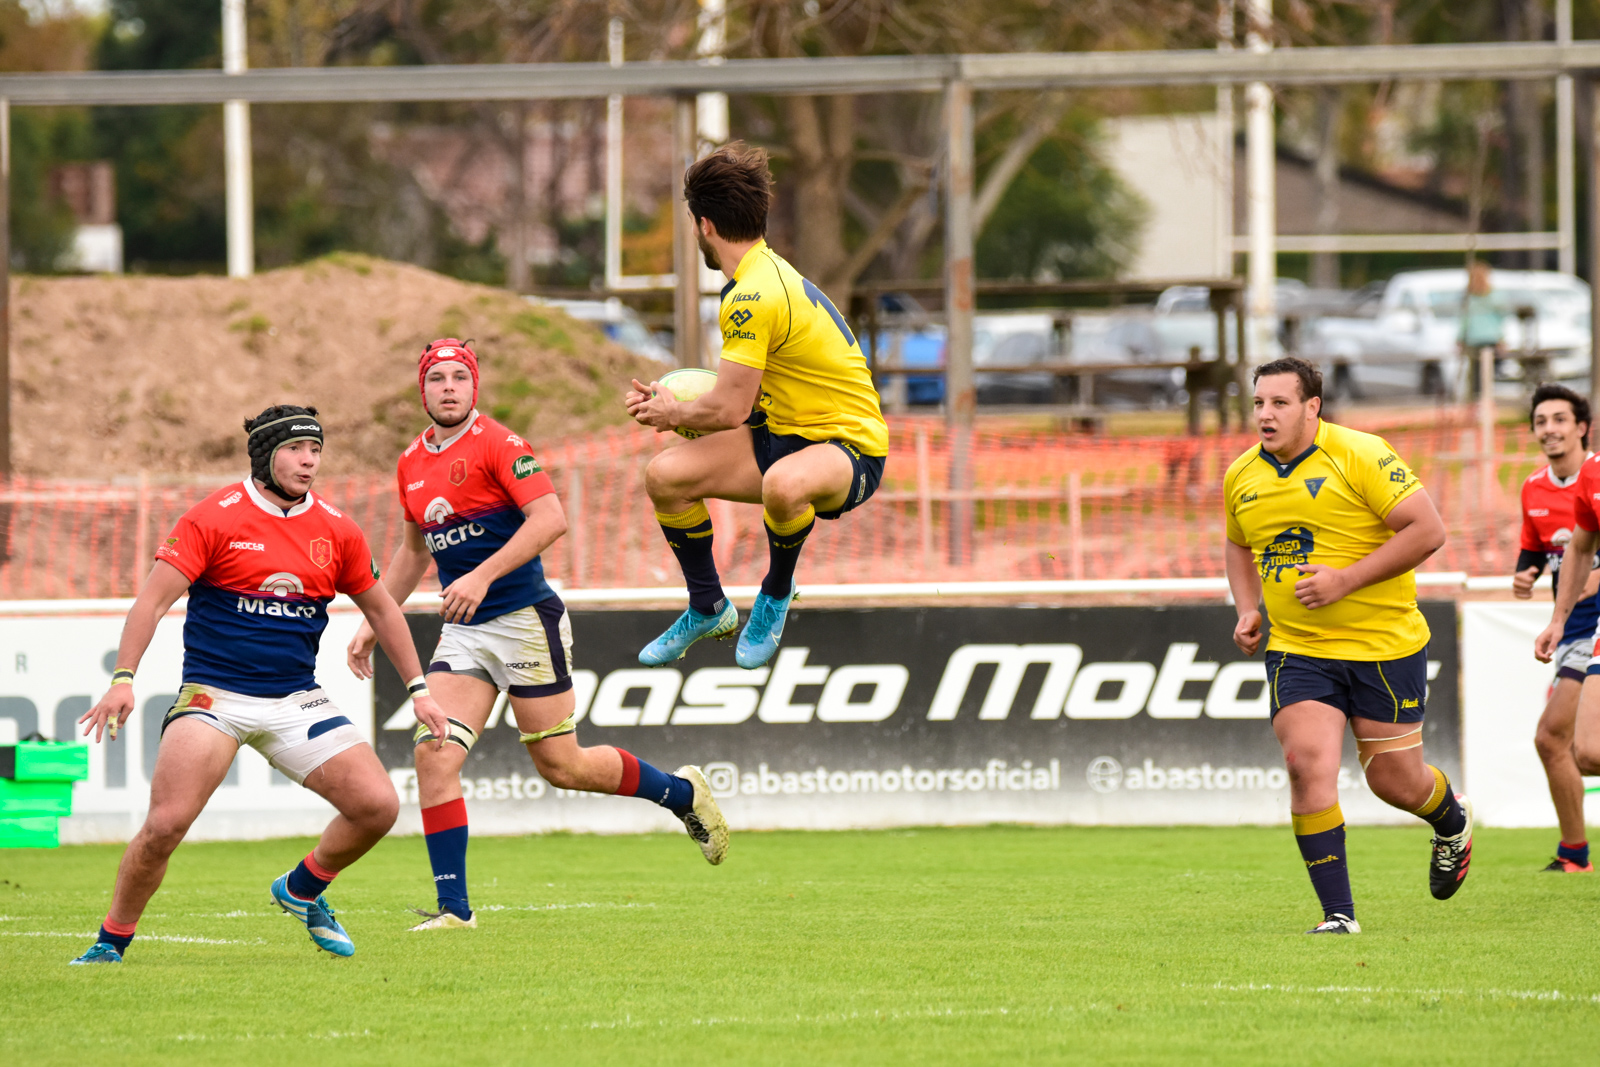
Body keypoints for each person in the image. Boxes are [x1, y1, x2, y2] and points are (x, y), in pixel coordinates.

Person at [348, 340, 729, 932]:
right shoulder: (410, 464)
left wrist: (481, 573)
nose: (448, 387)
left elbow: (551, 518)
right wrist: (377, 622)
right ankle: (455, 911)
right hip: (466, 631)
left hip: (526, 619)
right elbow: (411, 551)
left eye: (459, 378)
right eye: (437, 379)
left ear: (474, 388)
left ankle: (682, 794)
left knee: (562, 765)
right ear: (421, 391)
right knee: (433, 754)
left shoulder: (499, 444)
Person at [70, 405, 450, 964]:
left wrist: (419, 690)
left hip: (296, 697)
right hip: (214, 696)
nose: (309, 461)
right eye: (297, 450)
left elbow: (384, 610)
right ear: (265, 455)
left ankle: (300, 889)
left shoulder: (337, 528)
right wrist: (123, 679)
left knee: (377, 807)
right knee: (166, 826)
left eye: (316, 451)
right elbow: (150, 603)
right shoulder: (213, 518)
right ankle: (111, 942)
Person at [1224, 356, 1468, 935]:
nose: (1265, 414)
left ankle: (1451, 822)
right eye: (1259, 402)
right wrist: (1247, 608)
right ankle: (1339, 915)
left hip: (1384, 645)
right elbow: (1237, 543)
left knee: (1395, 782)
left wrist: (1345, 579)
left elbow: (1428, 531)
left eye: (1280, 403)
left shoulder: (1360, 453)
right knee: (1305, 764)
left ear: (1313, 407)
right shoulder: (1241, 475)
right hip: (1298, 649)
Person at [625, 141, 889, 670]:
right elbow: (738, 404)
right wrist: (675, 403)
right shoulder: (760, 277)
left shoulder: (751, 294)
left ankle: (776, 592)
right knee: (666, 478)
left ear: (703, 225)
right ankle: (708, 607)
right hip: (780, 433)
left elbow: (727, 410)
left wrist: (674, 414)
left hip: (849, 448)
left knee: (784, 485)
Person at [1513, 384, 1597, 873]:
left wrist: (1588, 579)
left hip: (1593, 629)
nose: (1550, 429)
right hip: (1574, 630)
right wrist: (1525, 574)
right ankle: (1574, 852)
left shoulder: (1595, 476)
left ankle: (1574, 854)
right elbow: (1541, 550)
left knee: (1572, 745)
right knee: (1557, 743)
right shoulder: (1533, 488)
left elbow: (1583, 560)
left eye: (1559, 419)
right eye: (1541, 421)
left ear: (1581, 427)